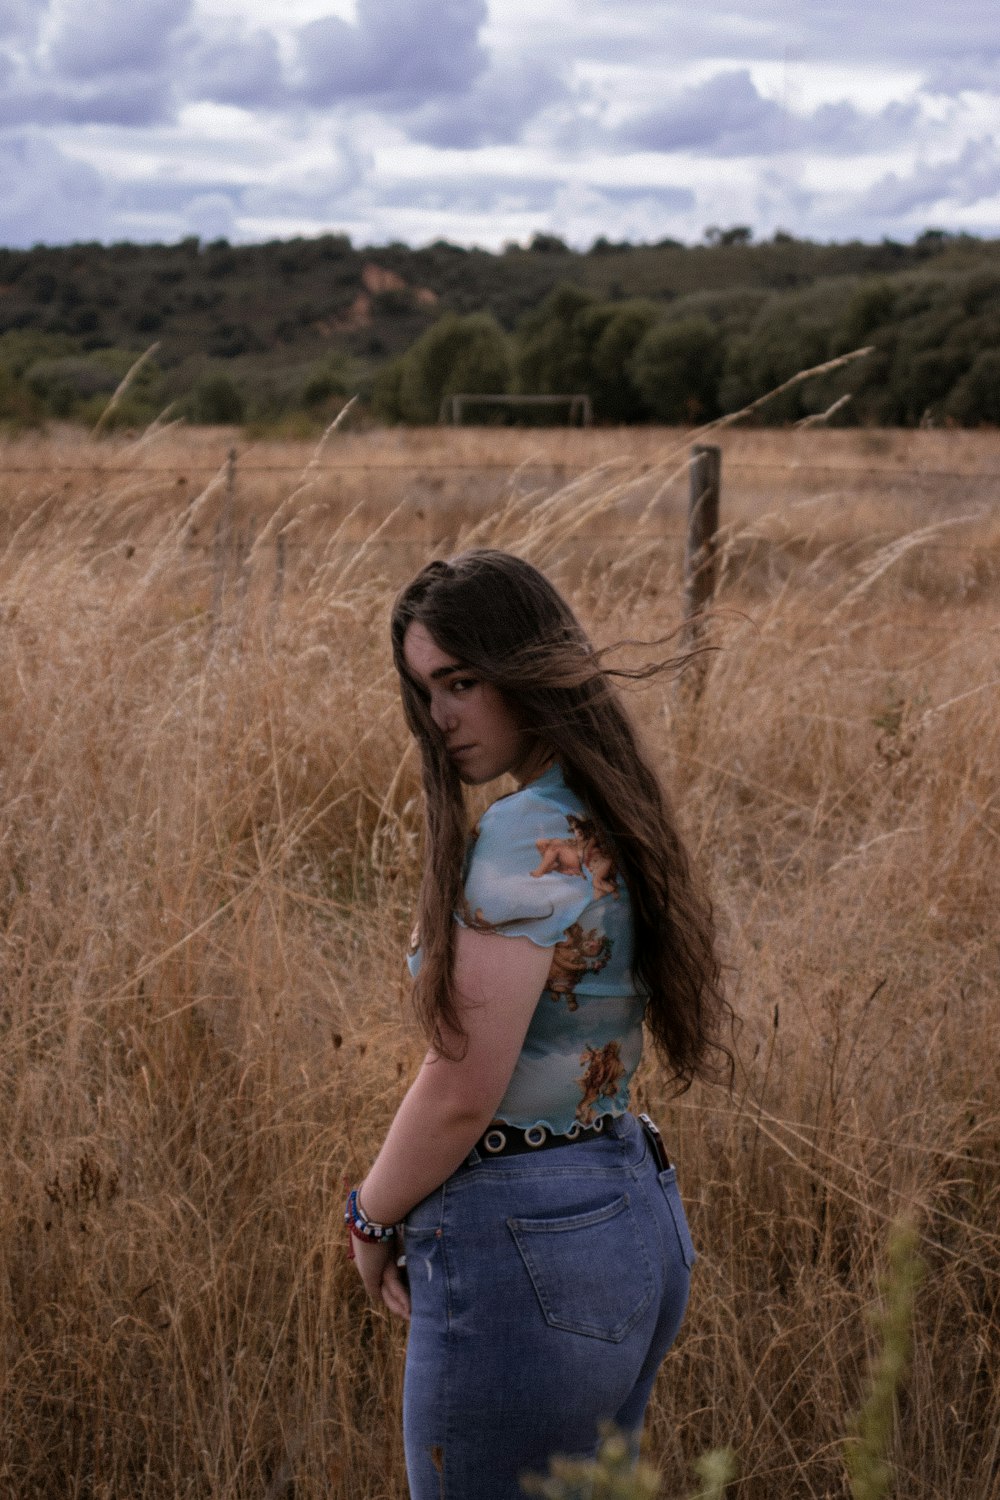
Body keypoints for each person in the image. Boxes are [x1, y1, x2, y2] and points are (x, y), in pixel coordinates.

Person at [345, 550, 731, 1500]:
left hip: (526, 1234)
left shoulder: (529, 831)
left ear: (526, 665)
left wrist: (369, 1214)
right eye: (424, 689)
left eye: (462, 682)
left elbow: (460, 1090)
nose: (440, 718)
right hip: (624, 1206)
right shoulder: (614, 803)